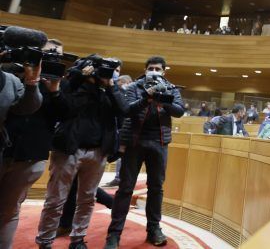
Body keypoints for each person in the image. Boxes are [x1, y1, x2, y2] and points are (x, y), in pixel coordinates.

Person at [36, 55, 128, 249]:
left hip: (97, 152)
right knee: (55, 200)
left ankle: (78, 239)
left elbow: (124, 110)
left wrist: (111, 85)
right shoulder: (73, 85)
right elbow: (61, 109)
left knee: (87, 200)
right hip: (68, 150)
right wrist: (78, 78)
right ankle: (45, 241)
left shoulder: (108, 90)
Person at [104, 56, 184, 248]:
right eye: (151, 68)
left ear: (164, 71)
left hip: (160, 143)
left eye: (158, 69)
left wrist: (163, 99)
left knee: (156, 188)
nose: (154, 71)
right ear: (145, 69)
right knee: (125, 188)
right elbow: (127, 111)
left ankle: (154, 228)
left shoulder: (171, 88)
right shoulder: (134, 87)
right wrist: (146, 98)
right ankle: (114, 234)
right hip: (135, 142)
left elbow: (179, 111)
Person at [0, 39, 55, 247]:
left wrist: (32, 83)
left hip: (19, 152)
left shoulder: (9, 81)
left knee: (8, 211)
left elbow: (26, 108)